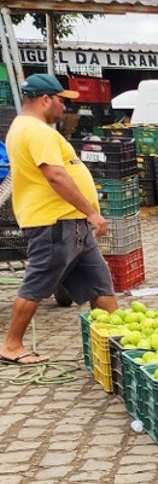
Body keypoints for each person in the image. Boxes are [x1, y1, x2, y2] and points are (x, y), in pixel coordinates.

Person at [2, 73, 117, 365]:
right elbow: (55, 174)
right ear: (45, 100)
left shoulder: (26, 128)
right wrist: (92, 212)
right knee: (37, 282)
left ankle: (115, 342)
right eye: (61, 101)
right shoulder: (36, 131)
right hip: (54, 223)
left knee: (100, 284)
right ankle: (11, 345)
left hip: (72, 224)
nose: (65, 108)